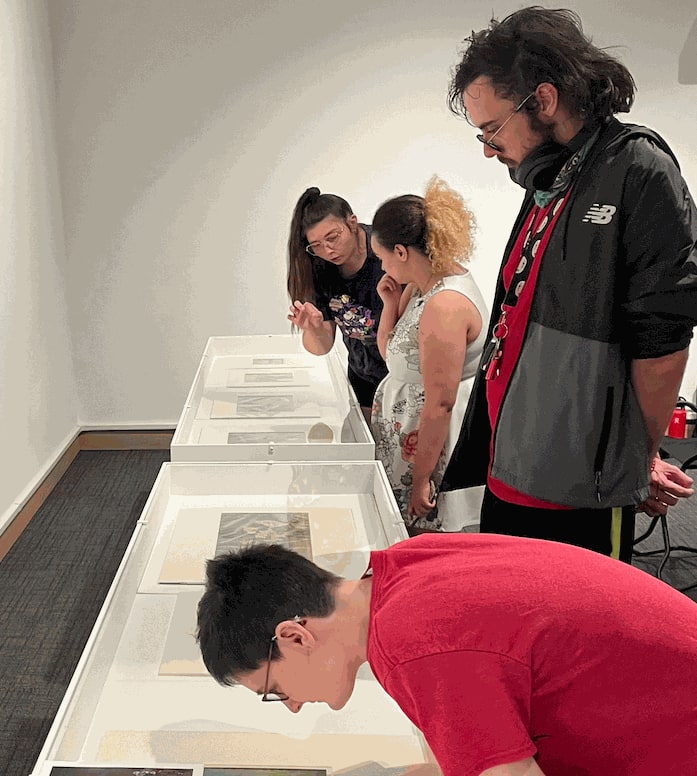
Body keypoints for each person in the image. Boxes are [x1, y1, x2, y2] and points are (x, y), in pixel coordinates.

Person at [440, 6, 697, 560]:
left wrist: (637, 457)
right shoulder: (549, 181)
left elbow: (663, 339)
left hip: (576, 491)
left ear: (545, 100)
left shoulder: (638, 169)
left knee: (574, 634)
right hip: (511, 465)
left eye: (492, 129)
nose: (487, 149)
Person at [196, 535, 697, 776]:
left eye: (275, 690)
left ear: (295, 637)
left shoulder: (411, 646)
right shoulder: (402, 566)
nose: (292, 706)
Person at [370, 177, 488, 531]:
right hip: (406, 432)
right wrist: (390, 304)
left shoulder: (445, 305)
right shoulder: (421, 287)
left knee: (429, 537)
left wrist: (422, 478)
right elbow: (392, 355)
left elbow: (441, 403)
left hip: (430, 442)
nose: (383, 268)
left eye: (382, 258)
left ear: (401, 252)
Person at [287, 187, 387, 423]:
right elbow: (322, 347)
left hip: (406, 379)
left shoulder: (385, 252)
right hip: (363, 378)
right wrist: (312, 327)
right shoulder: (320, 269)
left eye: (332, 238)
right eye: (317, 245)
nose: (327, 250)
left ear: (352, 223)